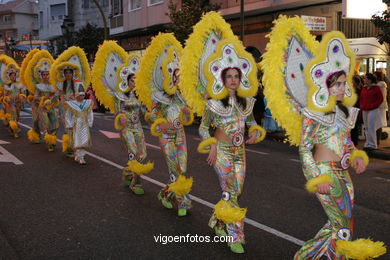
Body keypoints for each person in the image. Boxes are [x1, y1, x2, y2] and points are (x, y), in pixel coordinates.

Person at [260, 16, 386, 260]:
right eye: (336, 84)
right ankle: (309, 255)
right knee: (341, 225)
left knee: (344, 224)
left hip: (343, 172)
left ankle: (314, 256)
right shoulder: (312, 113)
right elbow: (305, 149)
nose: (341, 88)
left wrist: (357, 156)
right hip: (324, 171)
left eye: (342, 83)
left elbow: (347, 142)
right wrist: (317, 178)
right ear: (324, 86)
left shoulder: (344, 112)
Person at [134, 33, 193, 217]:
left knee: (182, 168)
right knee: (175, 169)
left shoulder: (180, 97)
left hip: (180, 135)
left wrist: (186, 114)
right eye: (174, 76)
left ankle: (166, 194)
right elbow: (149, 115)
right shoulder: (158, 97)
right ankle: (183, 201)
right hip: (166, 136)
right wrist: (161, 124)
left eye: (178, 76)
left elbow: (187, 117)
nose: (176, 80)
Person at [92, 42, 154, 194]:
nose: (135, 82)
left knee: (143, 154)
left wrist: (150, 116)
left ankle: (127, 171)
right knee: (133, 153)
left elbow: (146, 110)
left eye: (136, 80)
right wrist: (121, 118)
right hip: (126, 129)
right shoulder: (120, 96)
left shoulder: (139, 95)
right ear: (127, 81)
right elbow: (117, 112)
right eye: (133, 80)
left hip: (138, 127)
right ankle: (136, 182)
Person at [25, 50, 59, 151]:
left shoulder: (53, 86)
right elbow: (35, 97)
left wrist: (53, 100)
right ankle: (49, 142)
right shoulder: (38, 86)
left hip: (51, 107)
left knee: (56, 124)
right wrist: (42, 99)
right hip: (41, 107)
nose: (46, 76)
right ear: (41, 75)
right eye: (44, 74)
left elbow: (56, 96)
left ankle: (52, 139)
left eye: (47, 74)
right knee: (44, 124)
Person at [64, 85, 93, 164]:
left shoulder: (87, 103)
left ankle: (81, 156)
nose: (82, 97)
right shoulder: (72, 104)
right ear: (76, 95)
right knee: (77, 140)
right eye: (80, 95)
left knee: (84, 140)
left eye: (83, 95)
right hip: (76, 124)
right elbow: (68, 114)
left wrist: (90, 122)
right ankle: (78, 155)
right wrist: (69, 124)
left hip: (84, 124)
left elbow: (90, 113)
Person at [1, 62, 25, 138]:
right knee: (14, 116)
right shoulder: (7, 86)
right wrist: (6, 99)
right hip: (10, 104)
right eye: (12, 75)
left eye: (14, 75)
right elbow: (4, 96)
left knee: (17, 116)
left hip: (18, 103)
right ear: (9, 77)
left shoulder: (19, 84)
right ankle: (15, 132)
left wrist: (22, 96)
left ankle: (12, 128)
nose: (13, 77)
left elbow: (22, 93)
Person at [360, 73, 383, 151]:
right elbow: (362, 98)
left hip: (373, 110)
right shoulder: (364, 88)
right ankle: (367, 143)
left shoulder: (376, 88)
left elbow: (380, 99)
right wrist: (362, 106)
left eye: (365, 78)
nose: (364, 80)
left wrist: (373, 106)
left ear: (369, 80)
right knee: (366, 127)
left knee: (371, 127)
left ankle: (373, 144)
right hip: (365, 109)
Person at [373, 70, 388, 146]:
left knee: (378, 124)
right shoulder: (379, 84)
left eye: (374, 75)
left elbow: (381, 97)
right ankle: (376, 140)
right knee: (377, 124)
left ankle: (377, 140)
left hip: (379, 106)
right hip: (379, 106)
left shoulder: (380, 85)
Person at [350, 75, 363, 146]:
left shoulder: (358, 91)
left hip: (356, 109)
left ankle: (355, 142)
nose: (351, 83)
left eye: (353, 82)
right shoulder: (352, 90)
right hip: (352, 109)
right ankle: (352, 141)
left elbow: (358, 101)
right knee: (351, 127)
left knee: (354, 126)